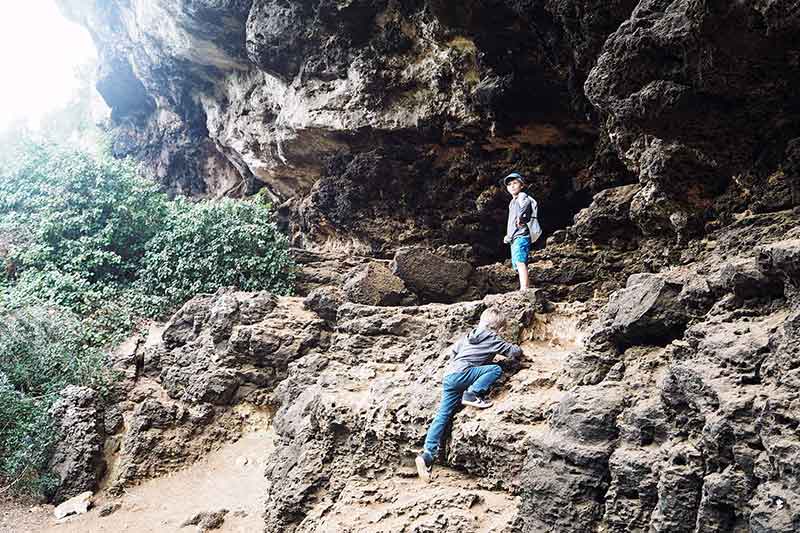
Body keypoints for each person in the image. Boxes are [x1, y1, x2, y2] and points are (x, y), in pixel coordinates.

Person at [415, 307, 523, 482]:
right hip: (464, 376)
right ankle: (472, 394)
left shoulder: (468, 336)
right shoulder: (492, 338)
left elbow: (453, 352)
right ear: (499, 329)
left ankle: (427, 455)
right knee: (495, 369)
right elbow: (513, 352)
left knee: (443, 415)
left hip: (450, 376)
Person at [503, 172, 537, 290]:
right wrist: (508, 236)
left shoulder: (522, 196)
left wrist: (522, 217)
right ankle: (524, 287)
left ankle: (524, 288)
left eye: (515, 183)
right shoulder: (512, 202)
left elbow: (526, 204)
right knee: (518, 263)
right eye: (509, 184)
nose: (512, 186)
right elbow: (511, 222)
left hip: (522, 235)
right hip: (515, 237)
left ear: (521, 185)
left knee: (520, 261)